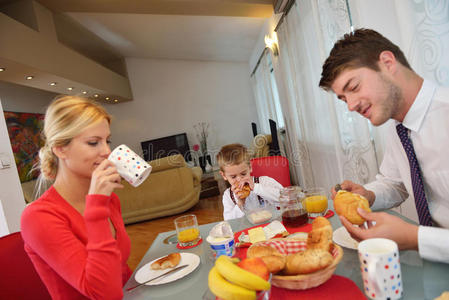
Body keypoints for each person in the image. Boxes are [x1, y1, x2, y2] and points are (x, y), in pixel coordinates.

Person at [319, 28, 449, 263]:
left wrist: (415, 237)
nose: (350, 106)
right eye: (343, 98)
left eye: (354, 87)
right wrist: (368, 195)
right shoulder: (399, 128)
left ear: (388, 63)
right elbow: (395, 183)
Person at [21, 96, 132, 299]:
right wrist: (97, 207)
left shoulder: (109, 199)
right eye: (93, 143)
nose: (107, 152)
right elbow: (104, 294)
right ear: (60, 149)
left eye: (107, 141)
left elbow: (121, 271)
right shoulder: (39, 216)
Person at [217, 143, 283, 220]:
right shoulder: (228, 195)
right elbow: (229, 221)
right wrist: (240, 203)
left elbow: (284, 198)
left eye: (243, 174)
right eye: (233, 177)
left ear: (250, 167)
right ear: (224, 175)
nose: (239, 179)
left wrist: (256, 188)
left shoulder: (264, 181)